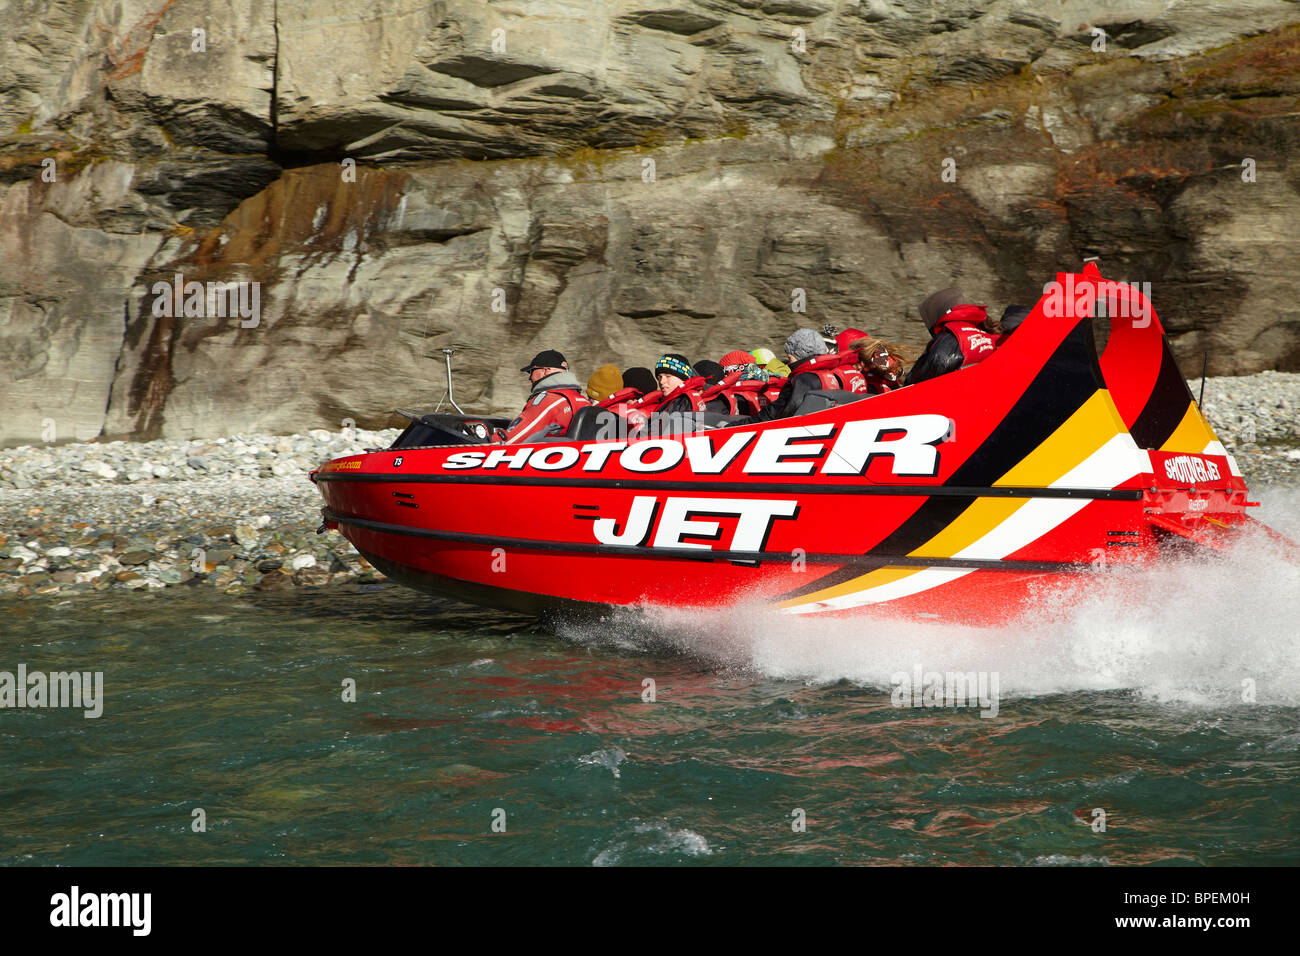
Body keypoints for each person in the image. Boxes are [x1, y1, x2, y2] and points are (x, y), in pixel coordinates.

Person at [736, 329, 844, 424]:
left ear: (802, 355)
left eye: (789, 358)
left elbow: (779, 413)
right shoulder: (828, 375)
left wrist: (738, 424)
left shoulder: (803, 379)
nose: (788, 364)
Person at [904, 287, 1000, 386]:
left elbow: (935, 367)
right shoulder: (984, 334)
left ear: (939, 315)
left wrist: (909, 380)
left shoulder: (952, 335)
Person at [492, 349, 591, 443]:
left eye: (532, 371)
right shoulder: (583, 401)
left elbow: (511, 439)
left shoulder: (549, 401)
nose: (529, 378)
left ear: (546, 370)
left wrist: (487, 439)